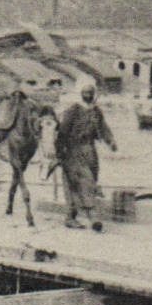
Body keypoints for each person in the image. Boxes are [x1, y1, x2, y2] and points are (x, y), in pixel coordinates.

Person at [54, 77, 116, 230]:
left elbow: (104, 128)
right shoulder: (73, 110)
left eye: (90, 92)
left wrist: (111, 141)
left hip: (90, 151)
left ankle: (72, 217)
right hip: (74, 151)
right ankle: (92, 217)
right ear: (81, 93)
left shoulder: (96, 111)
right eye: (85, 92)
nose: (88, 95)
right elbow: (62, 132)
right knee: (83, 182)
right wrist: (60, 153)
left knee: (91, 180)